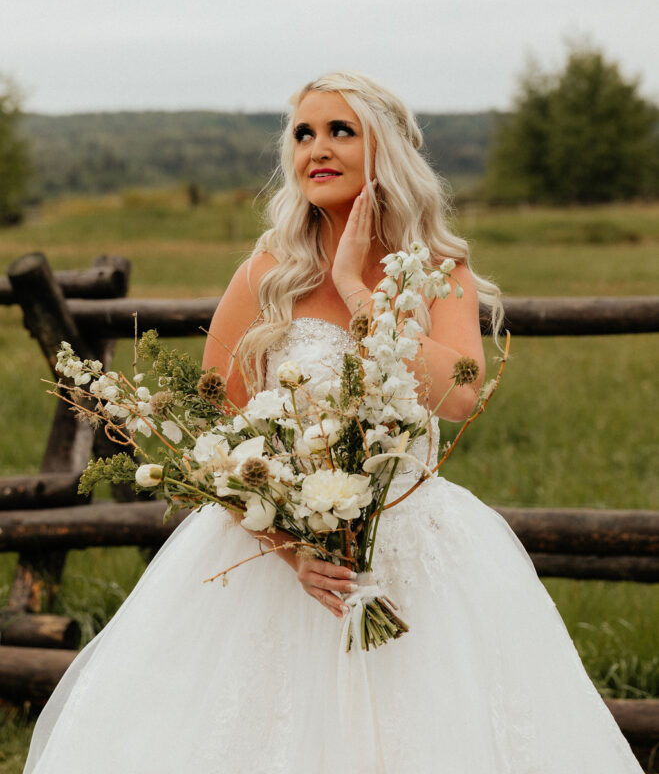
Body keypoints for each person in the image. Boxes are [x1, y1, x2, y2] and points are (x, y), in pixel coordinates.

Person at [24, 72, 642, 773]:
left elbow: (458, 398)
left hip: (412, 543)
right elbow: (209, 434)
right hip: (272, 552)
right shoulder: (265, 271)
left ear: (386, 149)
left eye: (340, 131)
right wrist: (293, 547)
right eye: (302, 134)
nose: (316, 148)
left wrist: (356, 292)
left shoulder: (438, 270)